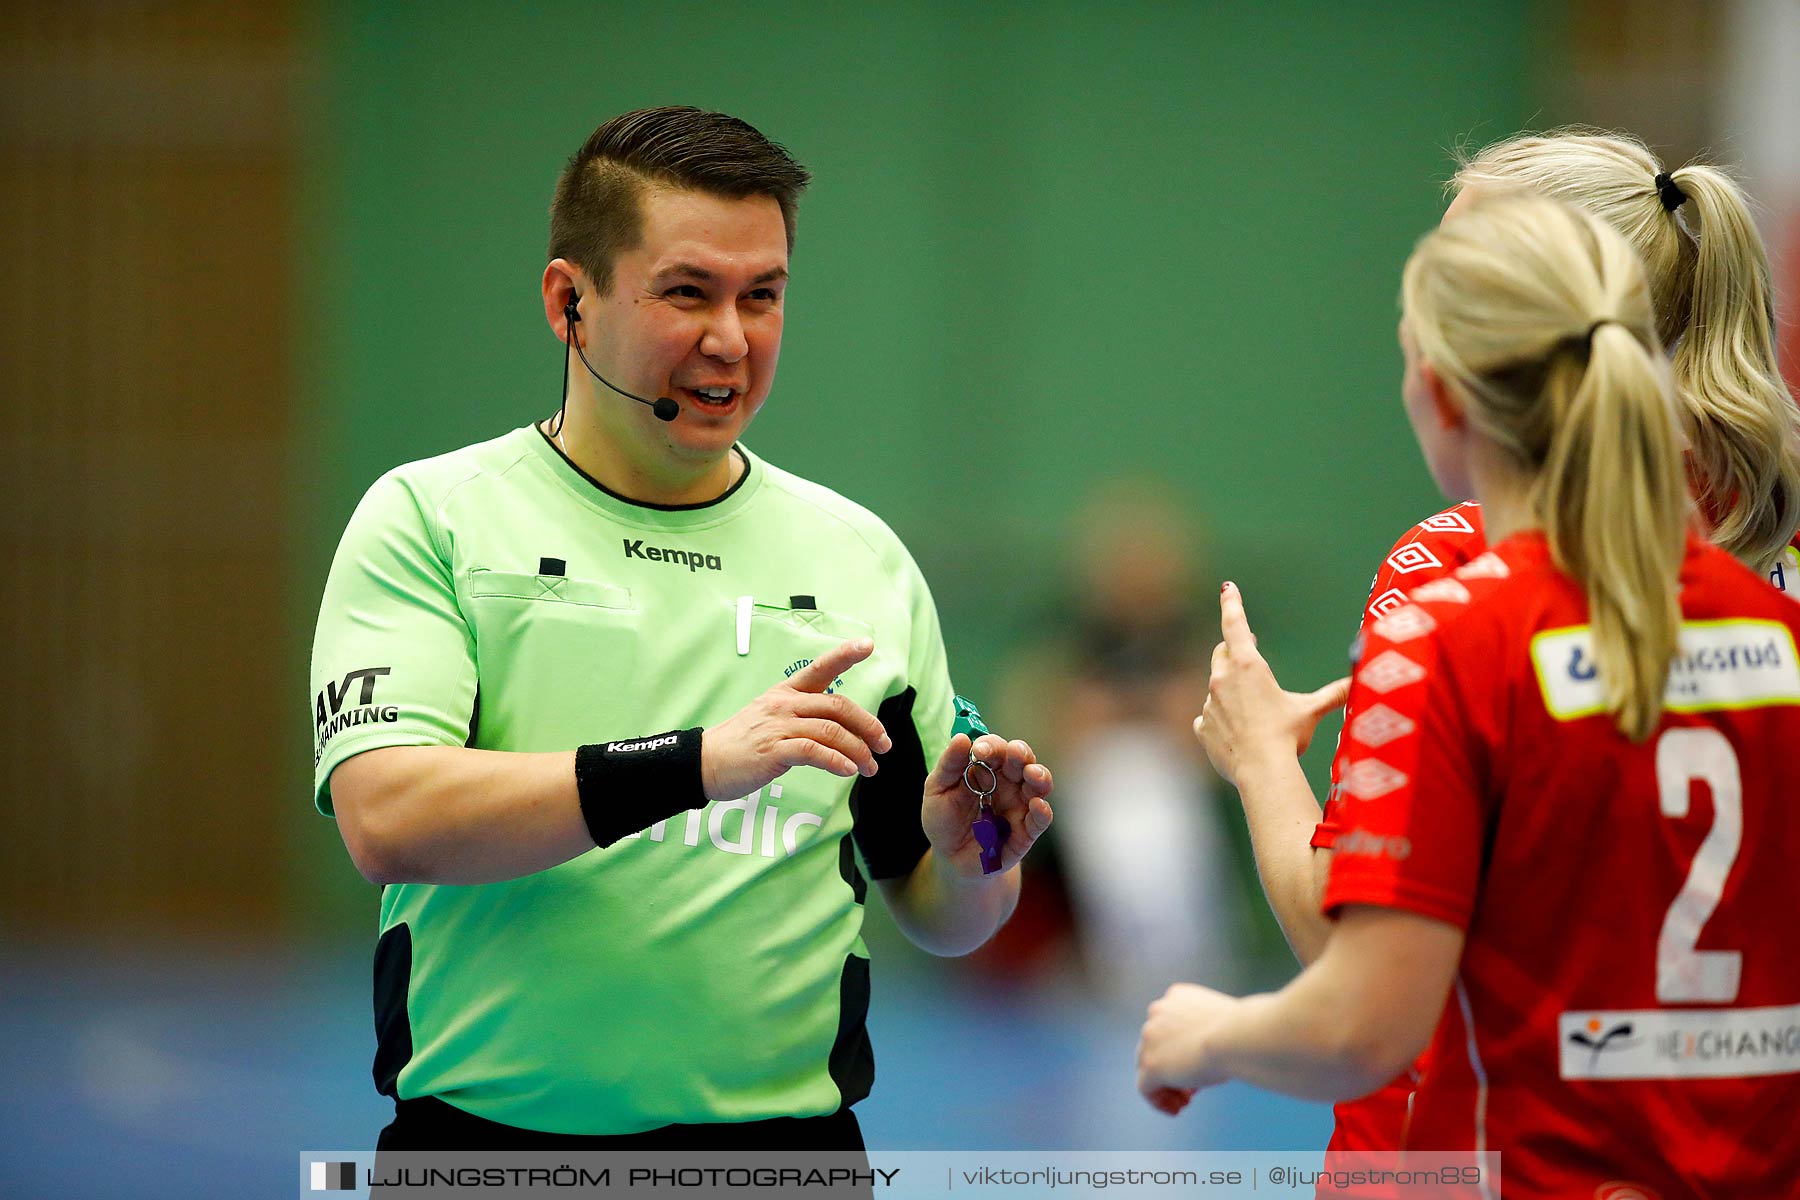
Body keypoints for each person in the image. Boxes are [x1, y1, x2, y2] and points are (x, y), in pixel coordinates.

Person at [309, 106, 1053, 1152]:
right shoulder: (434, 517)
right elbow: (386, 816)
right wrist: (697, 763)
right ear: (570, 301)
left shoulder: (862, 560)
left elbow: (944, 913)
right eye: (688, 293)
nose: (731, 339)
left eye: (764, 296)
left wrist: (973, 860)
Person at [1140, 193, 1800, 1197]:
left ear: (1442, 396)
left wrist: (1207, 1036)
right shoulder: (1775, 628)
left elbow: (1367, 1020)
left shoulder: (1448, 636)